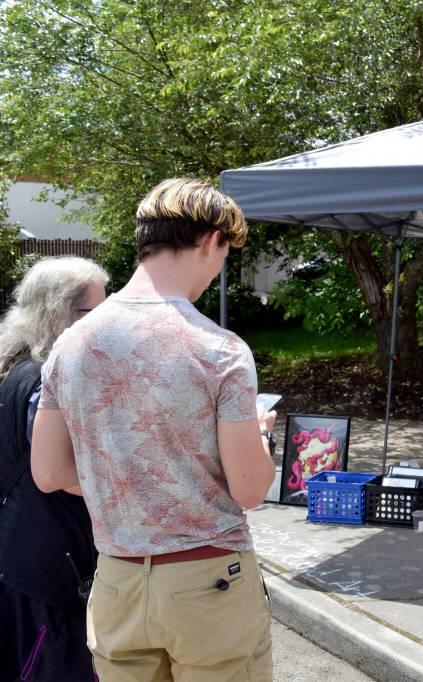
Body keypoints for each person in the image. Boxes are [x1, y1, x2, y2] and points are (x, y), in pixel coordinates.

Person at [31, 178, 278, 680]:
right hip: (208, 583)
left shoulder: (70, 344)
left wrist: (125, 480)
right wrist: (260, 436)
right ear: (210, 241)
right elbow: (250, 489)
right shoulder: (220, 350)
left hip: (117, 582)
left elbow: (49, 472)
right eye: (225, 252)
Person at [0, 256, 108, 681]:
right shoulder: (43, 379)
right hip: (47, 566)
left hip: (23, 557)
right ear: (61, 313)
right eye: (95, 312)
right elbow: (59, 472)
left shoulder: (14, 363)